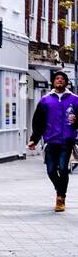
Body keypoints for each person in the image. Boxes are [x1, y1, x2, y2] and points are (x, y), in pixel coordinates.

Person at [28, 70, 78, 212]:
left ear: (66, 82)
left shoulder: (75, 99)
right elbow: (38, 122)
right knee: (50, 170)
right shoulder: (45, 100)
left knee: (63, 168)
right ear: (53, 82)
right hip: (51, 140)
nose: (59, 80)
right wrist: (34, 140)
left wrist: (76, 121)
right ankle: (59, 188)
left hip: (67, 140)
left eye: (62, 79)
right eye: (57, 78)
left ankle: (60, 198)